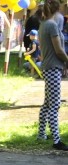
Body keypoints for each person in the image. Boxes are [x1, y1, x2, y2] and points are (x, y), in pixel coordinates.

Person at [37, 0, 68, 150]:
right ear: (56, 10)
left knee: (47, 103)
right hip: (53, 68)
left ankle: (41, 133)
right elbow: (59, 50)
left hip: (47, 67)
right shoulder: (52, 25)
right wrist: (67, 61)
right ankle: (56, 140)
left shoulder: (43, 24)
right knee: (55, 105)